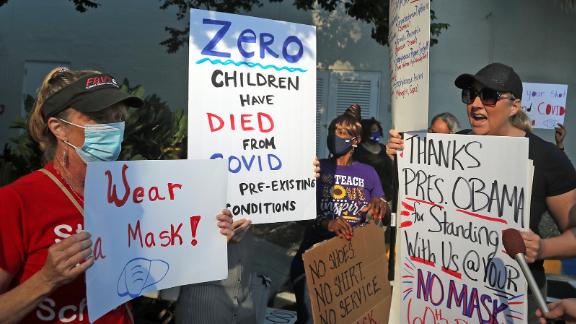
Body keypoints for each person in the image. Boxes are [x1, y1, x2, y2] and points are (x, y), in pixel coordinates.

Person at [0, 67, 234, 323]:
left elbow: (165, 259)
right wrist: (47, 279)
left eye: (117, 118)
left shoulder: (134, 194)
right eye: (99, 118)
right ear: (59, 128)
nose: (112, 128)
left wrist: (212, 234)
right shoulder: (16, 202)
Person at [386, 62, 576, 323]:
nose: (475, 103)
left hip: (515, 304)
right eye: (469, 95)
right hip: (452, 299)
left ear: (514, 106)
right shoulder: (451, 146)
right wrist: (402, 154)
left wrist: (542, 247)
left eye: (488, 96)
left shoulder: (548, 158)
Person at [290, 104, 388, 324]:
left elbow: (383, 206)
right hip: (313, 258)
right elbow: (298, 212)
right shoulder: (316, 167)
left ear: (356, 140)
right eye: (334, 131)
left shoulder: (368, 172)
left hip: (351, 262)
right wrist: (326, 223)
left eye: (343, 132)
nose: (336, 136)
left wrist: (380, 204)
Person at [353, 116, 396, 201]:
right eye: (373, 130)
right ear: (365, 132)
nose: (376, 133)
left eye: (377, 130)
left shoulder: (384, 148)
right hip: (366, 195)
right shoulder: (357, 150)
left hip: (386, 194)